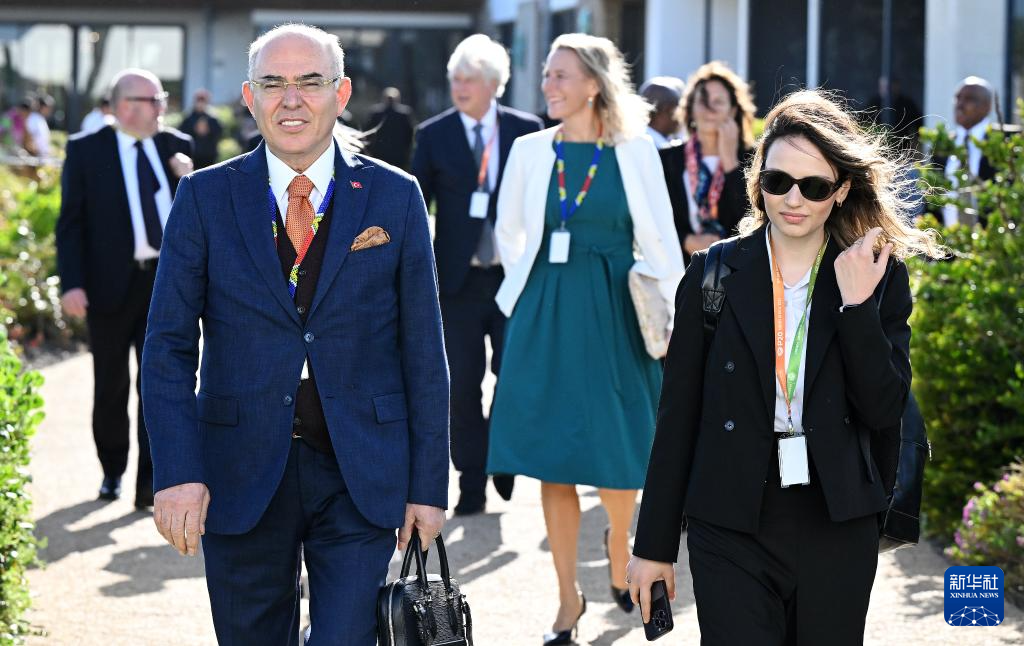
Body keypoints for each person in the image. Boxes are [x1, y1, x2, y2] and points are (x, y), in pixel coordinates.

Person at [141, 24, 449, 645]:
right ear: (249, 98)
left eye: (310, 82)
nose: (292, 99)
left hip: (361, 468)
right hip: (237, 468)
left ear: (342, 93)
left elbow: (424, 350)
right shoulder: (203, 197)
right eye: (273, 83)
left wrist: (428, 485)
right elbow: (167, 347)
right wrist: (176, 471)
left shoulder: (395, 196)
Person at [627, 89, 945, 645]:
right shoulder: (712, 275)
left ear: (841, 190)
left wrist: (856, 307)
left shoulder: (876, 275)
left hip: (836, 517)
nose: (793, 199)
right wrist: (652, 546)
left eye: (814, 186)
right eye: (778, 181)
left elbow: (883, 408)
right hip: (729, 516)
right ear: (759, 183)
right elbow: (677, 417)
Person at [488, 33, 684, 644]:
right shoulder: (528, 150)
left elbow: (660, 236)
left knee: (620, 447)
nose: (548, 84)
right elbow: (509, 231)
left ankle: (620, 543)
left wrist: (677, 314)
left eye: (560, 75)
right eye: (547, 74)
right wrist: (529, 288)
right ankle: (567, 597)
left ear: (594, 84)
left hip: (616, 311)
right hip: (547, 311)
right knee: (555, 455)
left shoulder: (635, 149)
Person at [412, 33, 543, 516]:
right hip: (457, 283)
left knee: (514, 376)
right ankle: (471, 481)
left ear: (493, 83)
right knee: (462, 386)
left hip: (514, 278)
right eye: (455, 78)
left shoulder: (527, 130)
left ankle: (502, 457)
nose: (459, 87)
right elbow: (415, 206)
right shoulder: (434, 134)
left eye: (469, 79)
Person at [55, 69, 193, 509]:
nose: (162, 107)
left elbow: (197, 219)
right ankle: (112, 470)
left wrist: (187, 177)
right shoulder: (86, 150)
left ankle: (150, 484)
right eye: (155, 100)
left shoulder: (177, 147)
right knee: (111, 384)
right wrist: (72, 284)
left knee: (161, 385)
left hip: (165, 284)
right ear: (126, 106)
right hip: (108, 287)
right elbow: (70, 223)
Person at [660, 61, 756, 264]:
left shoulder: (753, 159)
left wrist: (730, 162)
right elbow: (654, 218)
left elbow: (754, 218)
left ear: (733, 111)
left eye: (718, 101)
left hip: (735, 270)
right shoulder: (667, 159)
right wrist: (686, 240)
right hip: (681, 268)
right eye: (702, 101)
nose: (709, 109)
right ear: (691, 109)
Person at [934, 76, 995, 227]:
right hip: (946, 238)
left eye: (969, 99)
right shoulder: (943, 145)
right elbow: (932, 196)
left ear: (987, 106)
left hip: (992, 239)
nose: (959, 104)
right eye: (957, 98)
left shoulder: (1001, 144)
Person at [364, 87, 416, 170]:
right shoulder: (404, 114)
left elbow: (367, 133)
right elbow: (410, 135)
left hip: (379, 154)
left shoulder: (376, 113)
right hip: (398, 155)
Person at [179, 88, 224, 168]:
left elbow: (219, 133)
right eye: (199, 101)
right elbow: (182, 134)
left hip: (209, 155)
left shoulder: (212, 118)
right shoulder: (189, 118)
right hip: (193, 155)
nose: (200, 104)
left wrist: (208, 130)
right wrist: (195, 129)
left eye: (203, 101)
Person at [639, 76, 685, 149]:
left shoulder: (671, 142)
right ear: (666, 109)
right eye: (678, 109)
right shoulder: (644, 145)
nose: (682, 115)